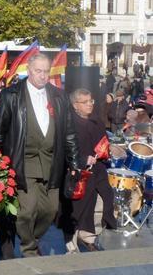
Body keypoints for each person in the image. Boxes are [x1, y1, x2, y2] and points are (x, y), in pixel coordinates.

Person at [0, 53, 80, 259]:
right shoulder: (11, 95)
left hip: (51, 163)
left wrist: (74, 161)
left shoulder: (60, 96)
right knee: (27, 211)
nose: (42, 75)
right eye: (38, 71)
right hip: (23, 162)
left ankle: (32, 238)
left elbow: (69, 133)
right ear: (29, 71)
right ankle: (29, 248)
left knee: (49, 210)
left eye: (46, 71)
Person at [61, 89, 117, 253]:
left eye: (91, 101)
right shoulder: (69, 123)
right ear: (75, 105)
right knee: (77, 208)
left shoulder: (97, 121)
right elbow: (65, 148)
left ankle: (88, 236)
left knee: (103, 198)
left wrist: (106, 150)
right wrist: (83, 159)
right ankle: (71, 243)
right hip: (78, 172)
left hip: (98, 170)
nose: (89, 105)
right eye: (85, 102)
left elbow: (103, 142)